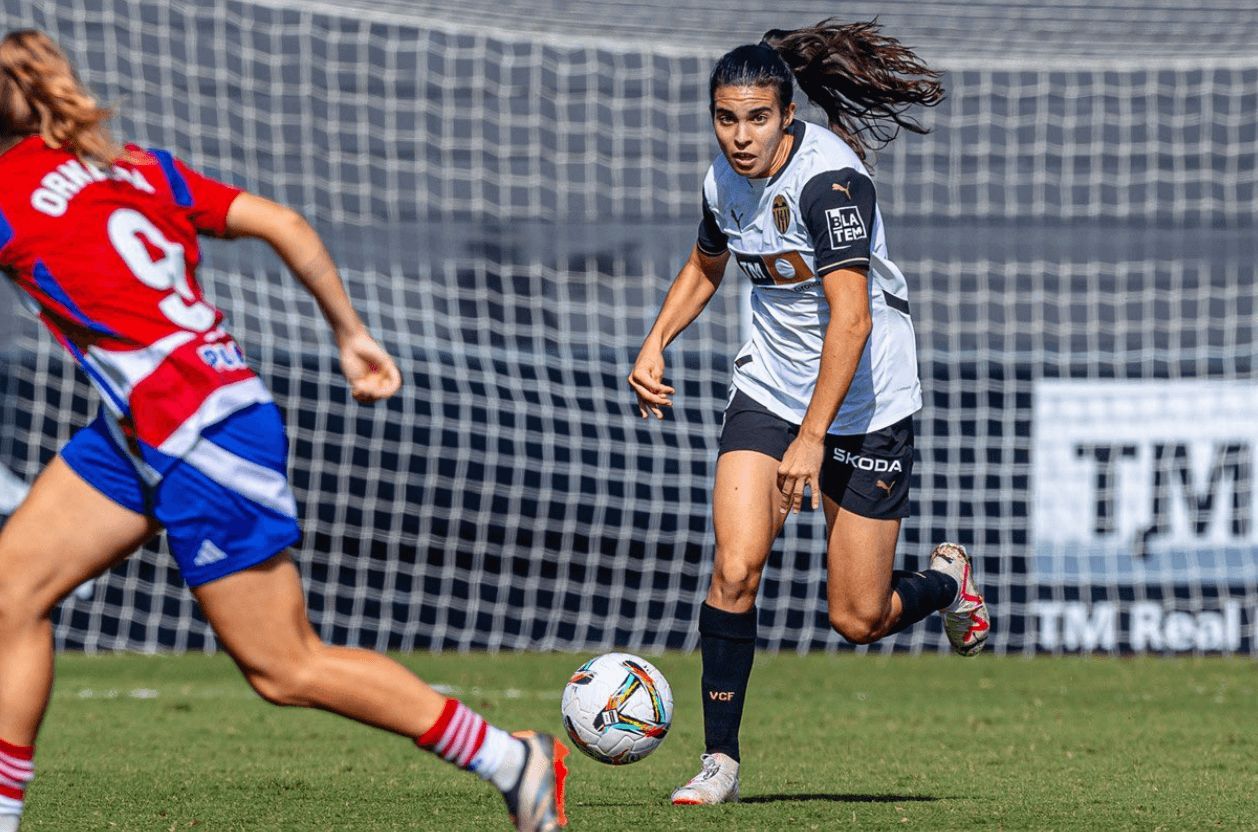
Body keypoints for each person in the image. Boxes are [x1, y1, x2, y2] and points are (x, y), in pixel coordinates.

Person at [0, 29, 565, 832]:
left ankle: (512, 759)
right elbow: (285, 220)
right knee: (10, 594)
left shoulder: (9, 195)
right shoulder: (137, 168)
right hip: (145, 425)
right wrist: (350, 332)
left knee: (286, 667)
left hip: (202, 432)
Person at [627, 19, 989, 806]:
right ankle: (718, 760)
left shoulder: (831, 183)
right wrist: (656, 339)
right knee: (734, 566)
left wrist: (812, 440)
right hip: (770, 389)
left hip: (866, 401)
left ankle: (947, 584)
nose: (741, 135)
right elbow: (707, 260)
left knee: (857, 617)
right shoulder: (721, 181)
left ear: (787, 116)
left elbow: (851, 322)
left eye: (757, 118)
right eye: (726, 118)